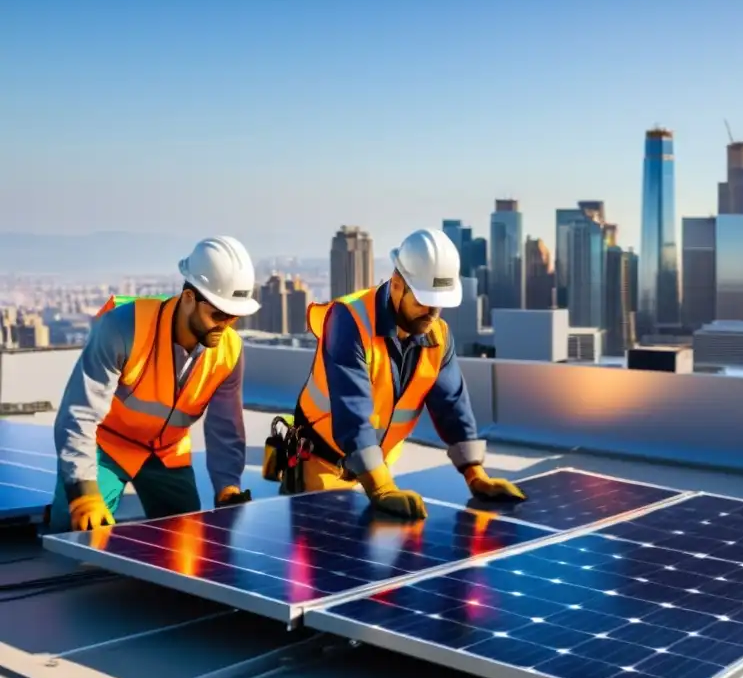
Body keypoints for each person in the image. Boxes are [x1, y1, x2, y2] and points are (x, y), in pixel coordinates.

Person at [288, 228, 526, 519]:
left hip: (375, 467)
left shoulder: (437, 336)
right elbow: (353, 412)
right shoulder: (349, 320)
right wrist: (381, 489)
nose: (432, 313)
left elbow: (452, 406)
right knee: (329, 553)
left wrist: (475, 475)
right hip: (321, 466)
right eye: (423, 300)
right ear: (398, 284)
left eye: (439, 303)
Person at [48, 236, 262, 532]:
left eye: (234, 317)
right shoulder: (123, 327)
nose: (225, 324)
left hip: (166, 452)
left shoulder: (230, 352)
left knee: (188, 542)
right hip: (108, 446)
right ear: (189, 298)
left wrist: (227, 487)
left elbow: (225, 429)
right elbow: (79, 412)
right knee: (72, 531)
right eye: (218, 314)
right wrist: (82, 487)